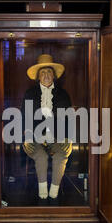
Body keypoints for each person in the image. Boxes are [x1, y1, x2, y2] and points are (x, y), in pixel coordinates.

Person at [22, 54, 73, 200]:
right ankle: (42, 190)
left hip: (56, 137)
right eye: (43, 72)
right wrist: (27, 137)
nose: (46, 75)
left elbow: (68, 118)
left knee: (62, 154)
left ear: (54, 75)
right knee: (41, 156)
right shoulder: (29, 94)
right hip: (34, 138)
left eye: (49, 72)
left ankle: (54, 191)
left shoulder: (63, 95)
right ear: (38, 76)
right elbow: (25, 118)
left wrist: (68, 138)